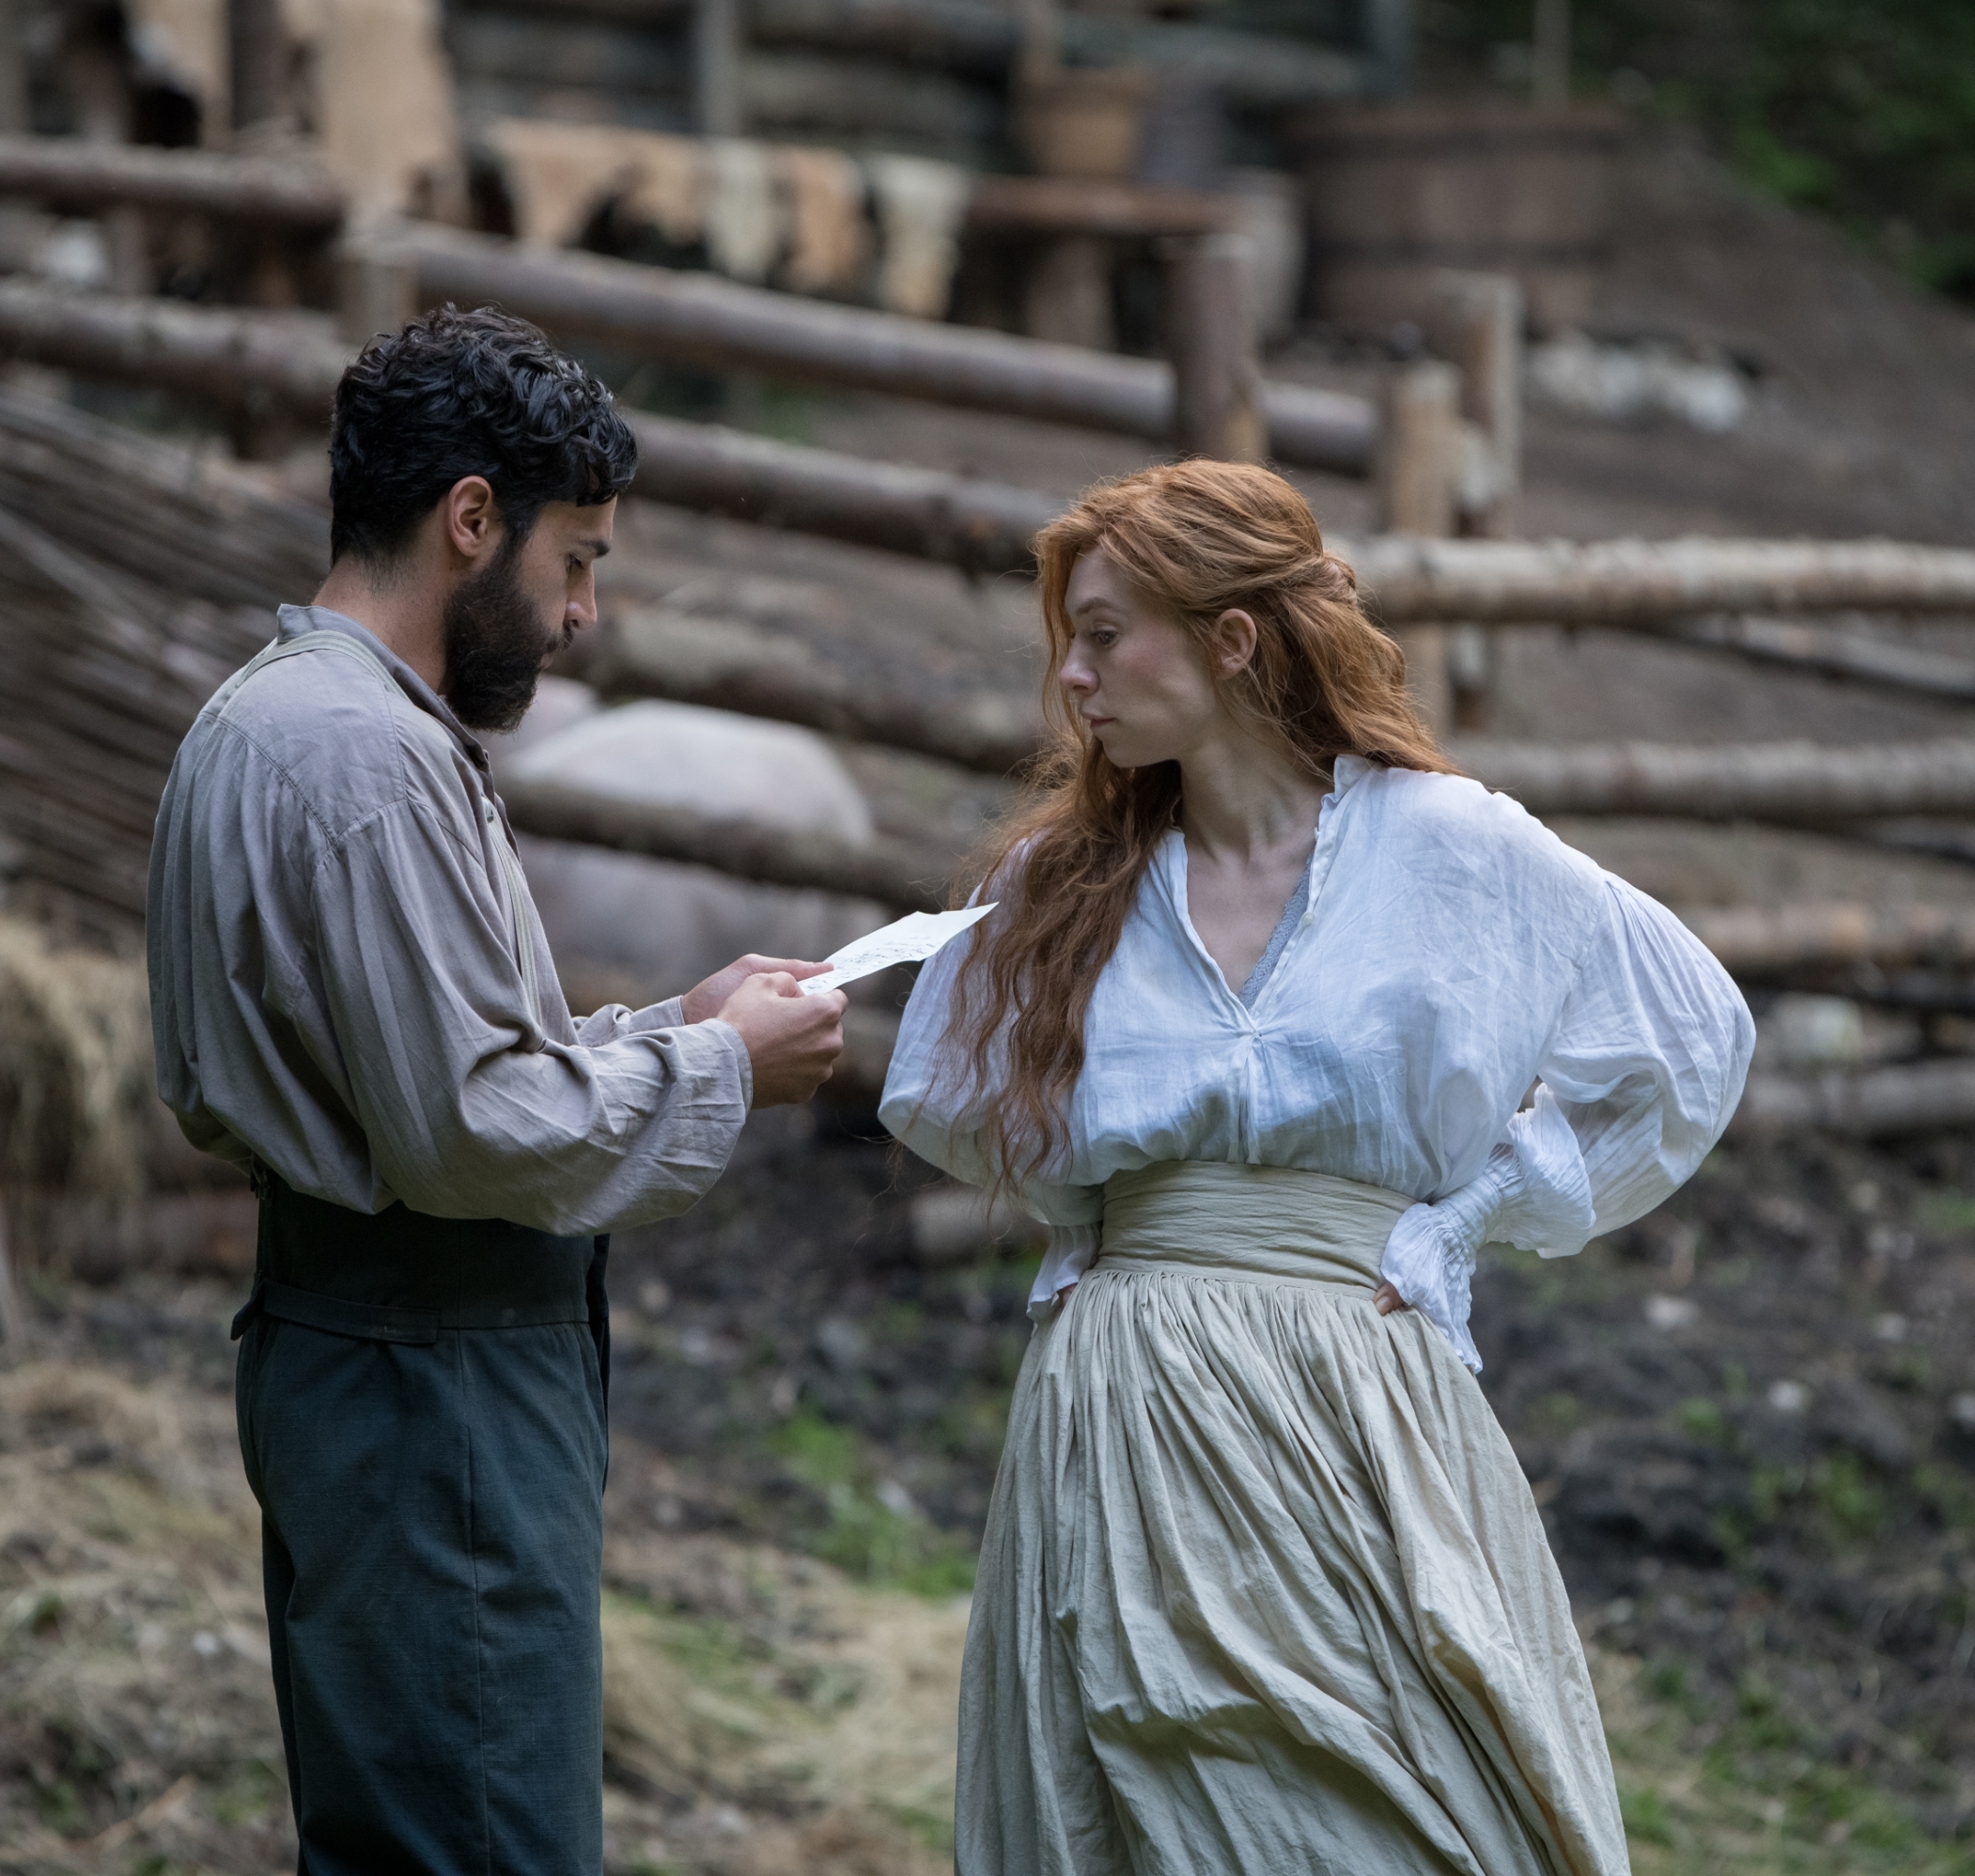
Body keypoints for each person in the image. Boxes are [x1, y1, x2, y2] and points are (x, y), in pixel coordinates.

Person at [880, 460, 1753, 1876]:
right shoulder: (1064, 884)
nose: (1073, 679)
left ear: (1231, 640)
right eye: (1067, 641)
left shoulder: (1448, 850)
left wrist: (1473, 1217)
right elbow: (960, 1097)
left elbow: (1686, 1036)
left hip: (1360, 1408)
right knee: (1145, 1805)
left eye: (1106, 635)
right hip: (1126, 1419)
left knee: (1400, 1811)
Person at [146, 305, 848, 1876]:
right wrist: (728, 1067)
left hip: (369, 1354)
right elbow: (470, 1126)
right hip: (433, 1384)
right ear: (473, 520)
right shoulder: (365, 765)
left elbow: (433, 1065)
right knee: (478, 1841)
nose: (586, 611)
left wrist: (679, 1019)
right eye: (576, 558)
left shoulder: (271, 716)